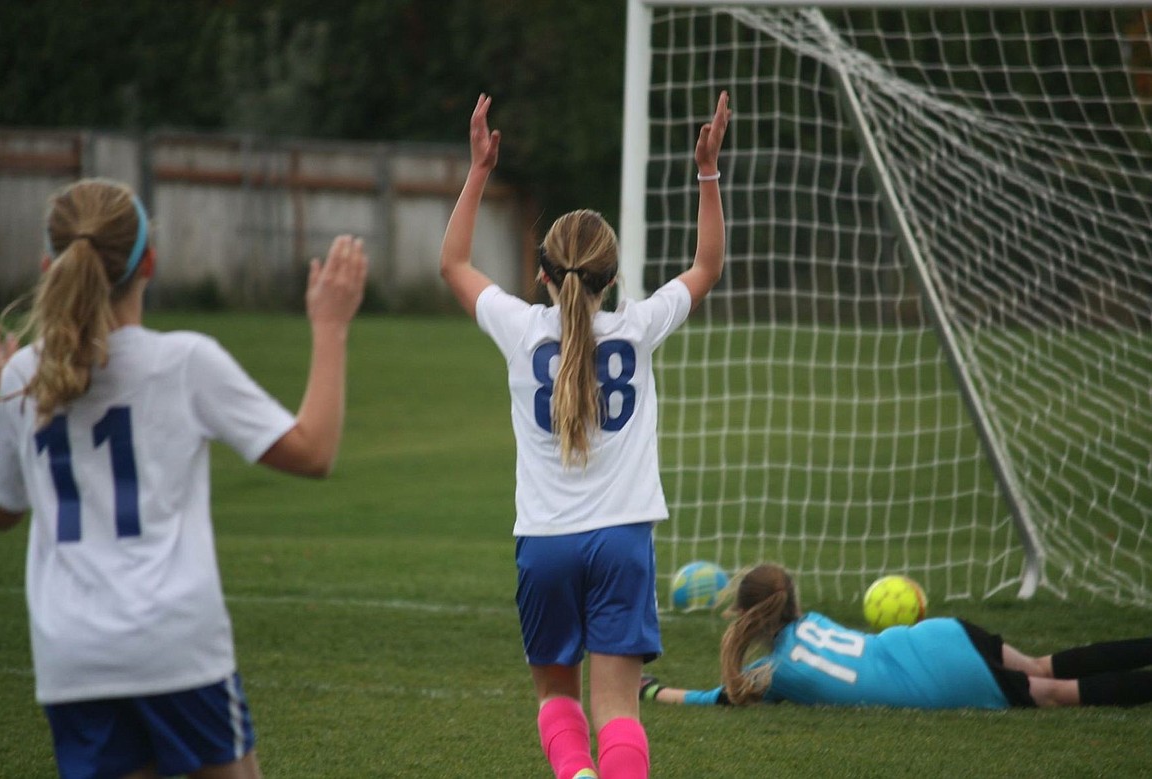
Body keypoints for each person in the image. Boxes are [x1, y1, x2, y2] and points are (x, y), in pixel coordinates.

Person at [0, 178, 368, 779]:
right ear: (150, 264)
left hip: (72, 658)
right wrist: (331, 326)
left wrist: (14, 389)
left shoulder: (24, 378)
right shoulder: (184, 362)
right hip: (174, 647)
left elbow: (0, 510)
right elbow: (313, 452)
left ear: (47, 267)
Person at [439, 91, 730, 779]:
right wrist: (707, 172)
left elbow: (452, 264)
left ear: (541, 274)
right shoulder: (638, 327)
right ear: (614, 274)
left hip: (544, 541)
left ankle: (576, 775)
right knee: (620, 709)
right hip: (623, 538)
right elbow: (707, 265)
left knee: (555, 697)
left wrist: (480, 168)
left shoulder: (520, 329)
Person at [639, 563, 1152, 710]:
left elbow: (716, 697)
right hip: (939, 636)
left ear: (747, 617)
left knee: (1056, 696)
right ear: (792, 601)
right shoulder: (815, 623)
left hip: (939, 677)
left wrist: (653, 690)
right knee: (1042, 666)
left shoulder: (774, 674)